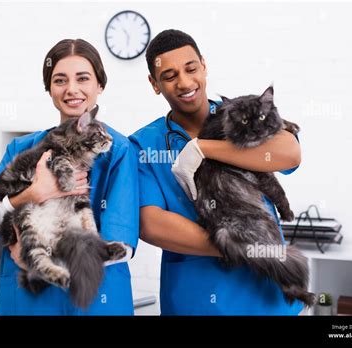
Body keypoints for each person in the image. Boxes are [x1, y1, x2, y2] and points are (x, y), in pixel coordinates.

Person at [129, 29, 304, 315]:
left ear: (204, 66)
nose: (185, 82)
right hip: (196, 301)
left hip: (269, 299)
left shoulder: (241, 114)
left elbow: (289, 152)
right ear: (154, 84)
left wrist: (203, 148)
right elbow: (151, 224)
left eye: (191, 68)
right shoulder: (144, 145)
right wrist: (240, 246)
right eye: (170, 76)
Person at [0, 39, 139, 315]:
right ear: (49, 88)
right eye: (60, 80)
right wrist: (30, 195)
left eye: (83, 78)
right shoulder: (22, 149)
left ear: (99, 86)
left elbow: (121, 247)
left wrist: (37, 259)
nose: (71, 89)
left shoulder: (118, 150)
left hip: (94, 302)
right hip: (29, 304)